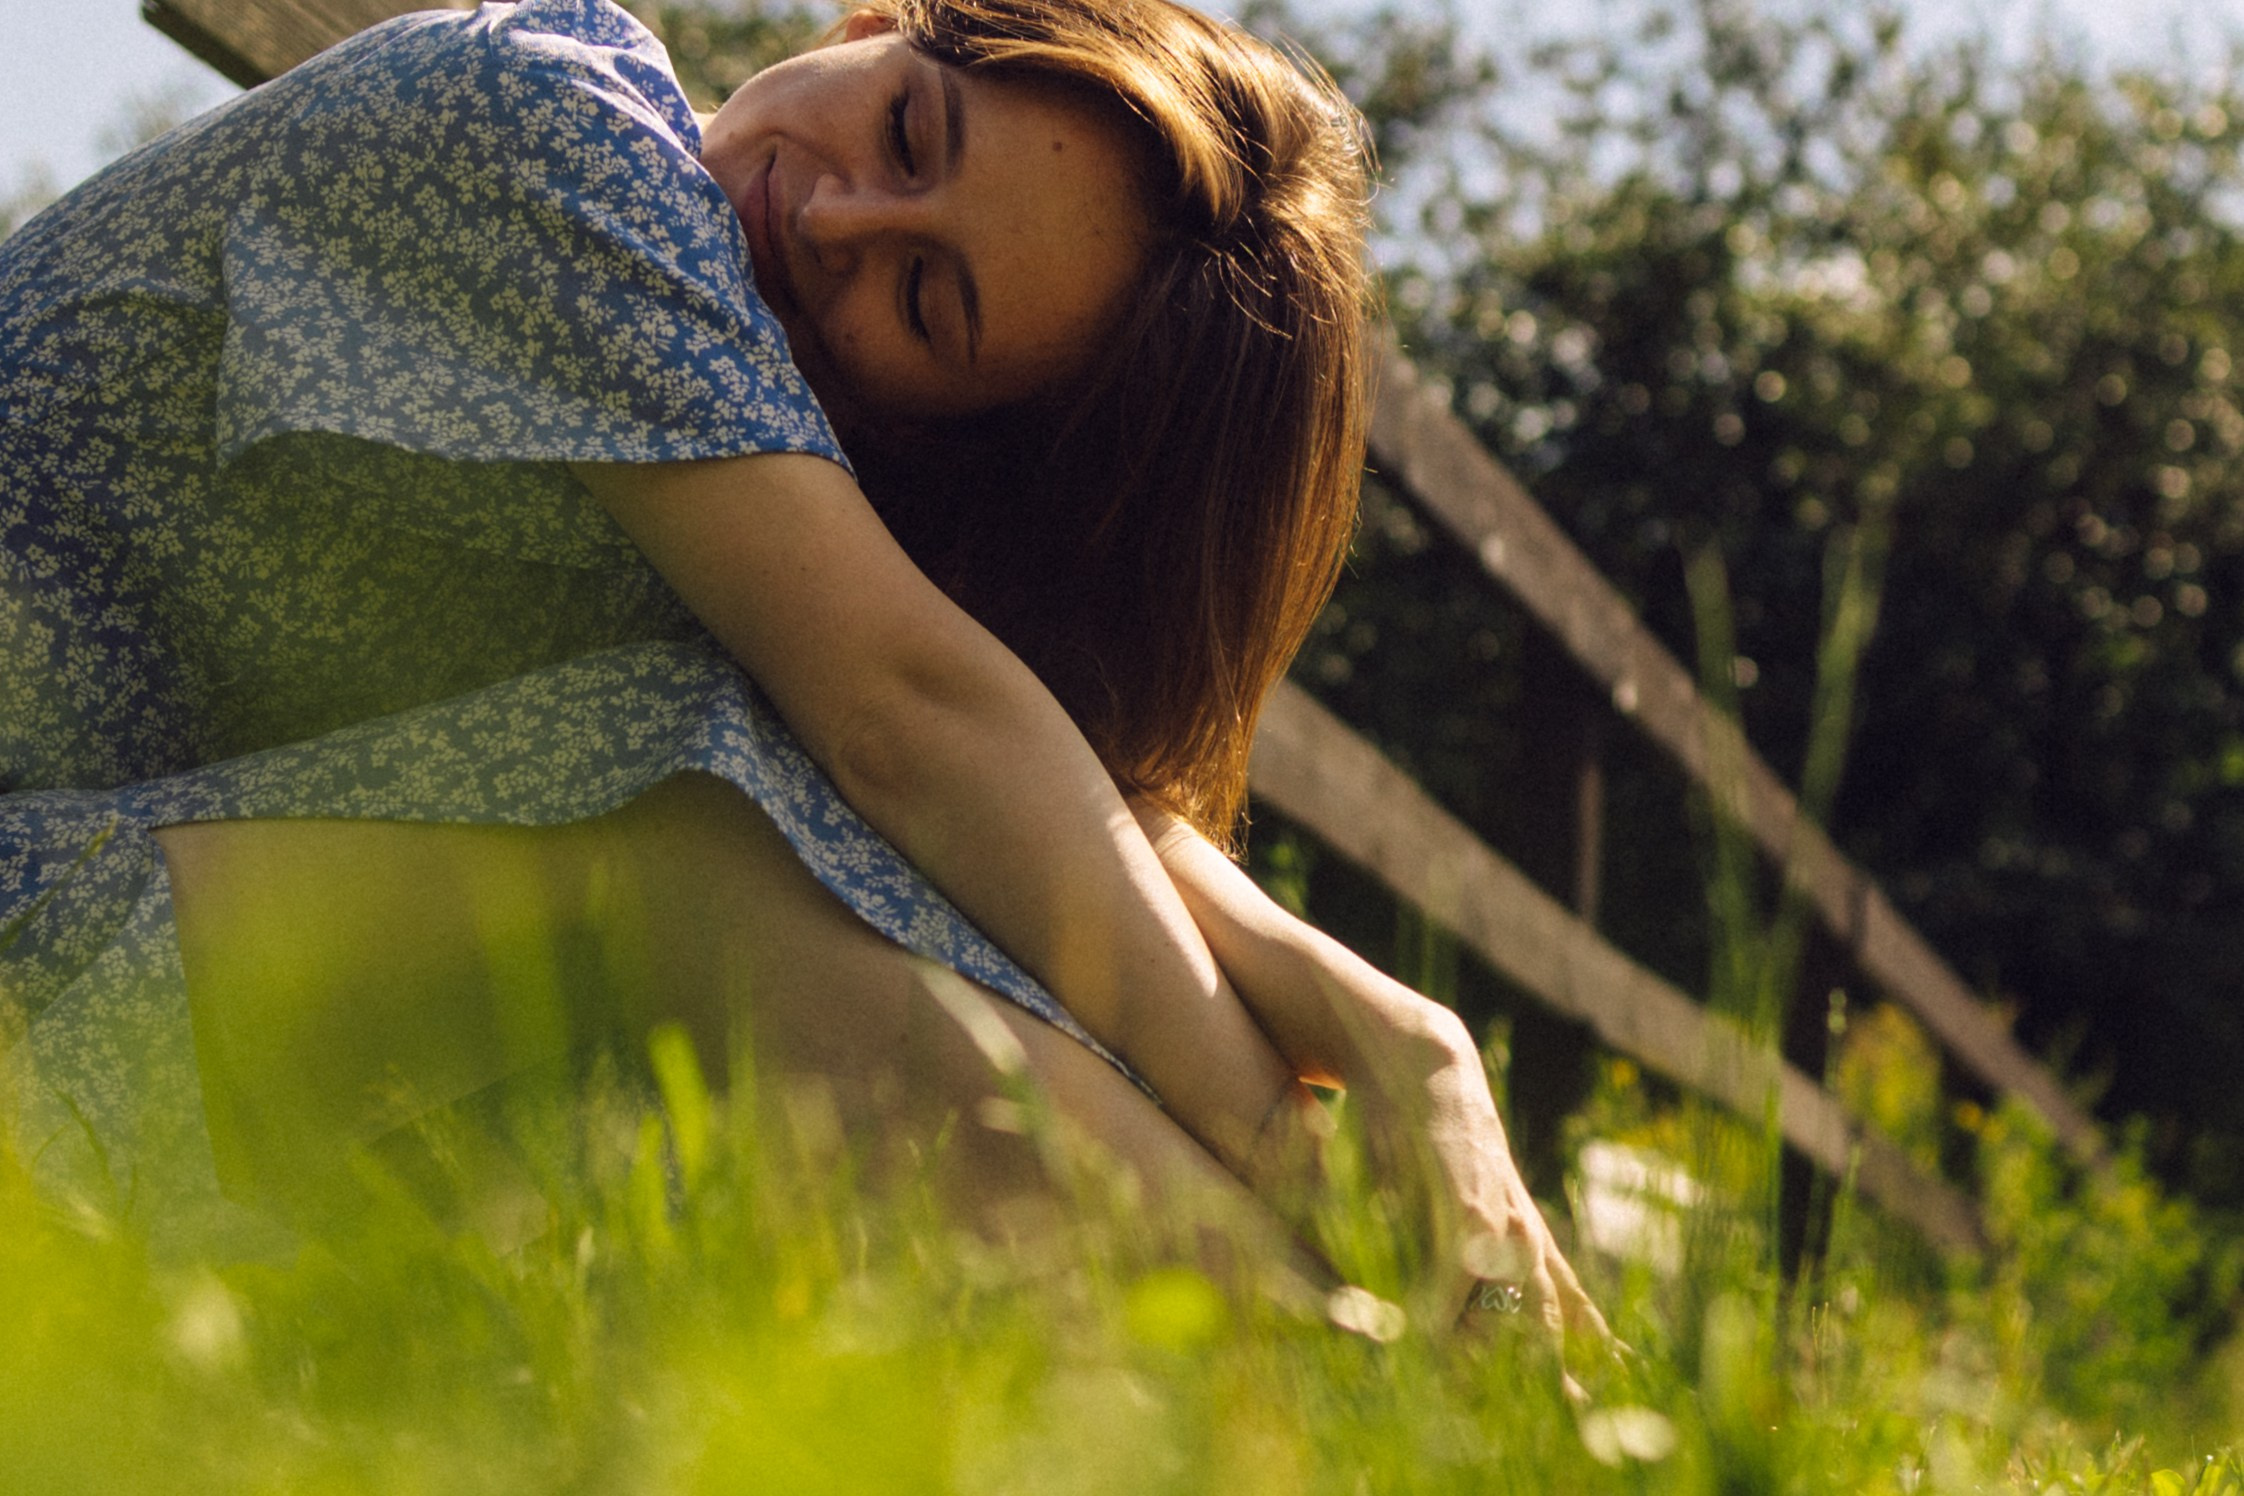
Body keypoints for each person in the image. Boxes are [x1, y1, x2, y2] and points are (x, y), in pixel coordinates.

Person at [0, 0, 1600, 1347]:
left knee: (815, 826)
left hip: (103, 937)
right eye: (910, 131)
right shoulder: (544, 124)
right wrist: (1301, 1163)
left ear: (946, 429)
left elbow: (1045, 779)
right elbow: (914, 717)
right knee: (694, 841)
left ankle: (1387, 1380)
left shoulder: (737, 462)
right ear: (880, 24)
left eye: (926, 300)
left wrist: (1394, 1030)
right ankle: (1376, 1380)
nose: (834, 221)